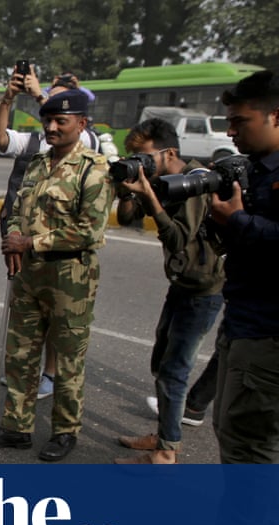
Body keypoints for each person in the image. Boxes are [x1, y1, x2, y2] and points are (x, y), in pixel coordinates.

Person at [0, 89, 115, 462]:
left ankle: (65, 430)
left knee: (68, 357)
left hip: (70, 277)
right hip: (28, 275)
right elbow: (16, 208)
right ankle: (17, 427)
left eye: (62, 121)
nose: (52, 127)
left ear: (82, 124)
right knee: (20, 354)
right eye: (48, 120)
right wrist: (13, 240)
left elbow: (90, 230)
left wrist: (30, 242)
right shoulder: (37, 164)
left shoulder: (95, 168)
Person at [112, 119, 224, 464]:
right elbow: (129, 219)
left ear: (169, 152)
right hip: (182, 284)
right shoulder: (160, 182)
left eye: (144, 156)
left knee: (175, 369)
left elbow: (177, 240)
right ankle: (163, 434)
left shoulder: (192, 183)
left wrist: (153, 201)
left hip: (203, 289)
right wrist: (126, 187)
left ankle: (167, 451)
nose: (140, 162)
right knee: (162, 361)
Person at [206, 69, 279, 464]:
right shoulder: (255, 170)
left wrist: (238, 220)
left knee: (249, 447)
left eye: (240, 122)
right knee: (233, 433)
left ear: (276, 116)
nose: (231, 132)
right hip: (244, 323)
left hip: (269, 332)